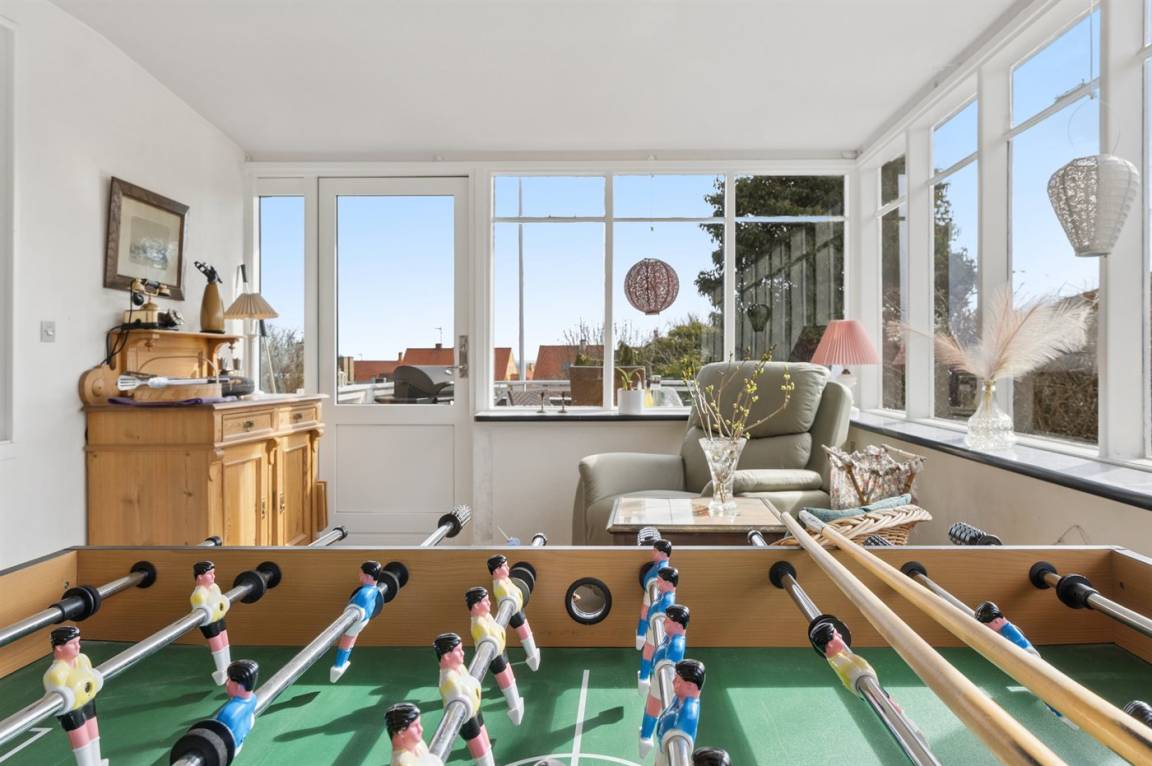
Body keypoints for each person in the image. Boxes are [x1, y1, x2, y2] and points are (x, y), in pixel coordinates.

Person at [975, 601, 1076, 728]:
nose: (986, 629)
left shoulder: (1011, 633)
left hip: (1030, 665)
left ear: (997, 621)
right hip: (1024, 664)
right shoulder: (1003, 630)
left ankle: (1065, 716)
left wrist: (1027, 666)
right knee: (1043, 690)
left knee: (1046, 690)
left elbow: (1028, 652)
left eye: (986, 626)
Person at [43, 626, 106, 766]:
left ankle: (97, 762)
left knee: (93, 734)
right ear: (59, 647)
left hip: (88, 701)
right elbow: (53, 698)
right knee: (82, 739)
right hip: (72, 709)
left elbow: (92, 675)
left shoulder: (83, 660)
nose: (78, 646)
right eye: (73, 644)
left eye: (78, 642)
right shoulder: (56, 673)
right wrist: (64, 697)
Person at [434, 633, 495, 766]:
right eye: (458, 651)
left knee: (486, 744)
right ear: (447, 656)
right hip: (466, 719)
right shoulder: (449, 680)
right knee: (481, 752)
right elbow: (465, 692)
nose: (463, 653)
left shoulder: (460, 667)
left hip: (475, 710)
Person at [466, 586, 524, 724]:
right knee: (504, 677)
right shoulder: (479, 624)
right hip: (493, 656)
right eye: (485, 601)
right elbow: (490, 636)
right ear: (476, 605)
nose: (490, 603)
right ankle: (513, 704)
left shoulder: (486, 617)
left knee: (509, 675)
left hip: (500, 649)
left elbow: (496, 630)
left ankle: (515, 701)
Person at [640, 604, 690, 753]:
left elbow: (669, 667)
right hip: (658, 678)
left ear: (677, 625)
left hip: (663, 682)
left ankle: (646, 736)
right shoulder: (670, 638)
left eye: (668, 620)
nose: (664, 622)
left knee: (653, 707)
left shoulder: (676, 645)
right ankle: (645, 734)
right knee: (651, 706)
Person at [330, 561, 386, 682]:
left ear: (368, 576)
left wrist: (351, 613)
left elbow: (357, 607)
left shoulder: (364, 593)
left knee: (346, 640)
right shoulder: (374, 590)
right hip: (363, 620)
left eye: (361, 573)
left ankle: (339, 666)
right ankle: (342, 663)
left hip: (356, 620)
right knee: (351, 639)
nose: (359, 575)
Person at [487, 555, 540, 671]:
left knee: (526, 632)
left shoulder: (506, 580)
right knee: (523, 632)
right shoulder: (499, 585)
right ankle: (531, 656)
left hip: (518, 608)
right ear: (497, 571)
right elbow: (508, 598)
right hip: (512, 612)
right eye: (504, 566)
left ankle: (533, 655)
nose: (508, 568)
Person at [654, 659, 705, 766]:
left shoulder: (688, 713)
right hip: (664, 750)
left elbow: (667, 725)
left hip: (674, 755)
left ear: (689, 686)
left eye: (677, 680)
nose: (673, 682)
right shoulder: (680, 699)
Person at [809, 621, 878, 697]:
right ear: (830, 644)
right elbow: (858, 672)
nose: (840, 635)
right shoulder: (842, 663)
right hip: (867, 684)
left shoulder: (837, 657)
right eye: (836, 635)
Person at [190, 561, 232, 685]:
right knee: (217, 644)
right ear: (199, 577)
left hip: (219, 617)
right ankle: (222, 670)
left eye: (213, 573)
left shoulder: (215, 587)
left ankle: (229, 666)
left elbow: (220, 599)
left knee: (225, 641)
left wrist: (224, 602)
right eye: (209, 574)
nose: (213, 576)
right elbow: (202, 610)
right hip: (209, 623)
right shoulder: (198, 595)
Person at [640, 568, 678, 678]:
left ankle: (645, 675)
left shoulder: (667, 599)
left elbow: (661, 610)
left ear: (668, 583)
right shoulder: (663, 595)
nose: (657, 583)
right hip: (655, 626)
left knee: (649, 650)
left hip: (658, 627)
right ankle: (644, 675)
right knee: (648, 650)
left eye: (660, 581)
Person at [214, 660, 259, 755]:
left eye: (229, 679)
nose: (226, 683)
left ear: (238, 686)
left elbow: (215, 740)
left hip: (228, 749)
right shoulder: (253, 698)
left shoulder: (227, 714)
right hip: (241, 735)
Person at [636, 539, 673, 650]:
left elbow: (654, 604)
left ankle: (643, 637)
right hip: (649, 591)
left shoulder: (661, 571)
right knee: (645, 611)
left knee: (650, 646)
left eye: (655, 551)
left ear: (662, 553)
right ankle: (641, 635)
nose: (652, 552)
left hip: (653, 596)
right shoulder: (657, 566)